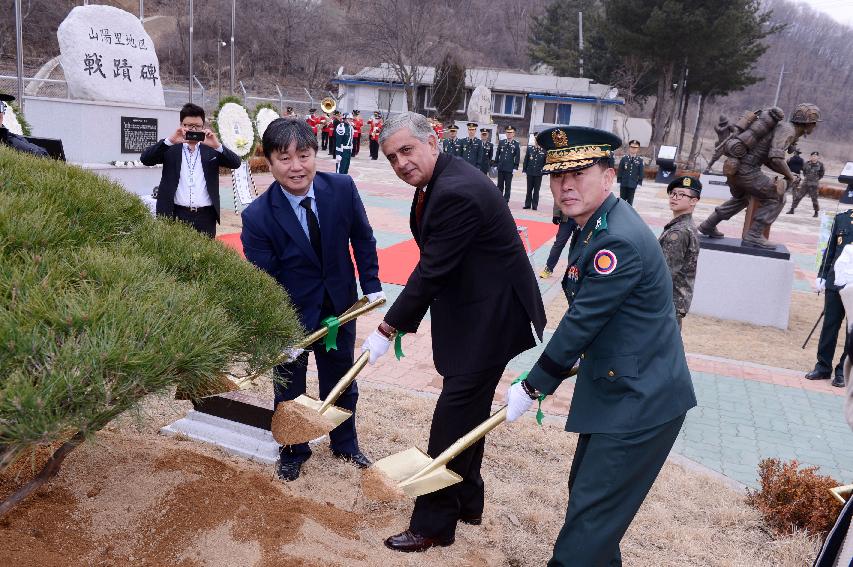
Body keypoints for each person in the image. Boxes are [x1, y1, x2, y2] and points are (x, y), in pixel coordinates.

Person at [505, 125, 696, 567]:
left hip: (641, 402)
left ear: (609, 177)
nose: (565, 185)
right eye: (557, 176)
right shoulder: (594, 225)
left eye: (579, 173)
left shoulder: (616, 240)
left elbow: (582, 321)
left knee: (586, 528)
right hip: (618, 388)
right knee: (592, 512)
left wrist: (534, 386)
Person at [363, 112, 545, 552]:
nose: (401, 163)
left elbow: (431, 270)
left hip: (489, 320)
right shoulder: (439, 182)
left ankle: (433, 524)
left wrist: (387, 328)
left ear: (433, 141)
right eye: (392, 158)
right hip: (480, 310)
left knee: (450, 422)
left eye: (407, 150)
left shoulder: (456, 191)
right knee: (468, 415)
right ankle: (468, 500)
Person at [240, 118, 383, 481]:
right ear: (268, 163)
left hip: (339, 307)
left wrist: (371, 283)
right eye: (284, 158)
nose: (296, 166)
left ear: (315, 155)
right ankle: (292, 449)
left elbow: (362, 238)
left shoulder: (342, 188)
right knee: (289, 387)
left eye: (303, 155)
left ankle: (345, 443)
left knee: (341, 380)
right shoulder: (257, 217)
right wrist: (277, 331)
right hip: (290, 316)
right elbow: (263, 281)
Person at [698, 103, 821, 249]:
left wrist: (787, 173)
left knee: (742, 198)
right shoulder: (788, 130)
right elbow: (776, 158)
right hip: (746, 169)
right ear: (809, 124)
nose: (814, 127)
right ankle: (754, 235)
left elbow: (769, 158)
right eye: (814, 124)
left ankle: (708, 225)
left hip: (737, 166)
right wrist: (791, 176)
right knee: (776, 197)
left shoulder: (786, 129)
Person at [140, 102, 241, 237]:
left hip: (206, 217)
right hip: (175, 214)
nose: (193, 129)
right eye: (188, 125)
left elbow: (236, 163)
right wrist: (169, 140)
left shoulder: (211, 148)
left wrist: (217, 145)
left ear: (203, 127)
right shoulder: (170, 146)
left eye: (197, 126)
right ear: (181, 125)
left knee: (205, 256)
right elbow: (146, 159)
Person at [807, 209, 852, 388]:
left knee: (852, 331)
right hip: (836, 281)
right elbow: (830, 250)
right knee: (829, 326)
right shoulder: (842, 218)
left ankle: (843, 371)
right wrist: (823, 275)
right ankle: (823, 366)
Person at [659, 176, 702, 330]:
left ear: (694, 201)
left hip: (667, 303)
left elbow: (665, 272)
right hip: (673, 303)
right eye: (673, 193)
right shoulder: (685, 226)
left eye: (681, 194)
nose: (674, 197)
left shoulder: (679, 231)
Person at [0, 92, 48, 157]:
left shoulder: (13, 140)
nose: (1, 113)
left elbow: (44, 155)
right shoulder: (11, 142)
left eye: (2, 107)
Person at [540, 206, 578, 279]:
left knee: (578, 245)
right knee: (558, 244)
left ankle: (574, 270)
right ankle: (548, 268)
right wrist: (556, 214)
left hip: (581, 219)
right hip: (567, 219)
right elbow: (558, 197)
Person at [788, 151, 825, 217]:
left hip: (814, 184)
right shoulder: (806, 164)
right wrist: (807, 178)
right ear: (810, 157)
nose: (814, 157)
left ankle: (816, 212)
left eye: (815, 156)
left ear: (818, 157)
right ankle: (792, 209)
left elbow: (821, 174)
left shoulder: (820, 165)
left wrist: (815, 179)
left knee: (814, 199)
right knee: (798, 196)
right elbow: (804, 172)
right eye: (812, 156)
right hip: (805, 183)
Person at [494, 125, 520, 203]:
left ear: (513, 133)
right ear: (505, 133)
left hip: (509, 168)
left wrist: (515, 167)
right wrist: (495, 164)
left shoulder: (516, 144)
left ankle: (506, 200)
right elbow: (497, 154)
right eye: (507, 132)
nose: (509, 134)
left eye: (510, 132)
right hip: (501, 167)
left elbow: (517, 156)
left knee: (507, 185)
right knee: (500, 185)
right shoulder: (502, 142)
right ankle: (499, 199)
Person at [616, 139, 644, 205]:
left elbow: (641, 172)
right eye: (632, 147)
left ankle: (627, 214)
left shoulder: (639, 160)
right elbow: (620, 170)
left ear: (638, 149)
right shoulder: (624, 159)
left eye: (635, 148)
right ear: (629, 148)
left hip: (633, 184)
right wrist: (619, 181)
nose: (633, 149)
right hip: (624, 183)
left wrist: (640, 182)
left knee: (630, 201)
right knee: (621, 201)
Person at [523, 133, 546, 210]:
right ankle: (527, 204)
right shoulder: (530, 149)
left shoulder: (544, 150)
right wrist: (524, 169)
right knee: (529, 189)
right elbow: (526, 160)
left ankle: (534, 205)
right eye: (536, 139)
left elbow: (545, 162)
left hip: (538, 173)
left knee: (536, 190)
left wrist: (544, 170)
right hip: (530, 172)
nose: (537, 140)